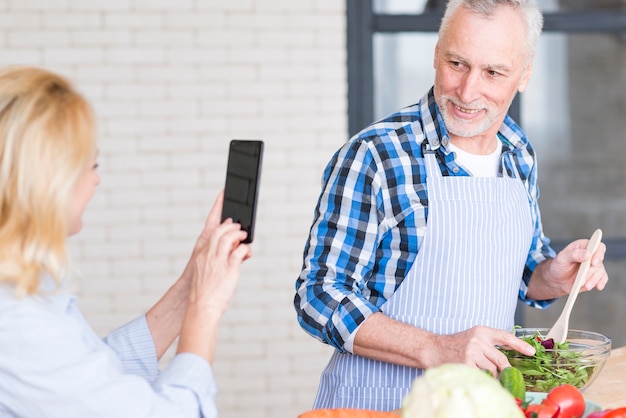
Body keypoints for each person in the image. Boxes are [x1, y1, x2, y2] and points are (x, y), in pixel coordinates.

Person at [294, 0, 609, 412]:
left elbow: (517, 271)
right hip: (378, 404)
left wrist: (553, 275)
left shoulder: (518, 153)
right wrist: (437, 347)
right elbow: (318, 297)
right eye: (457, 63)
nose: (467, 91)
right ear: (436, 53)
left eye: (493, 72)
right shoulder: (376, 155)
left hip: (479, 404)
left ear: (525, 73)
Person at [0, 66, 251, 417]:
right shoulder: (17, 322)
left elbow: (94, 380)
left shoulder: (23, 297)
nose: (97, 180)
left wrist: (191, 284)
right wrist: (205, 307)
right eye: (92, 165)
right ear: (49, 181)